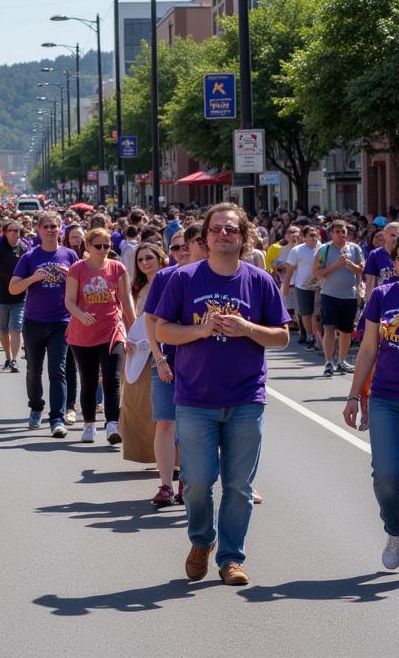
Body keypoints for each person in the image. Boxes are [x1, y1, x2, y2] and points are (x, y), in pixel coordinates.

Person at [155, 203, 290, 587]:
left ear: (243, 236)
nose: (223, 235)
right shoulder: (184, 279)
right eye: (216, 230)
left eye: (231, 229)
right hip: (195, 398)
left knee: (239, 486)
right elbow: (163, 330)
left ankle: (231, 558)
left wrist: (247, 327)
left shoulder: (259, 280)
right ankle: (202, 541)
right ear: (206, 237)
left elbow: (281, 336)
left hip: (247, 398)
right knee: (197, 483)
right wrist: (198, 331)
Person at [344, 229, 399, 580]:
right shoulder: (382, 297)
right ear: (393, 263)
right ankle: (397, 528)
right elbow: (369, 348)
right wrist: (355, 395)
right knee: (385, 477)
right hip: (386, 398)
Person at [9, 211, 78, 437]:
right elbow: (13, 288)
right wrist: (33, 279)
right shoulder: (29, 257)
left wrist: (71, 276)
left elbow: (82, 289)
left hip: (61, 321)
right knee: (33, 371)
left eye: (54, 227)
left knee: (57, 370)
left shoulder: (70, 255)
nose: (50, 230)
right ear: (38, 230)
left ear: (60, 230)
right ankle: (36, 407)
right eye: (46, 226)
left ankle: (57, 419)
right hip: (34, 322)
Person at [64, 226, 135, 445]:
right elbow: (69, 301)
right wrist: (80, 314)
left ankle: (112, 424)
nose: (103, 250)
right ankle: (89, 425)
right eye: (98, 246)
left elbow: (126, 300)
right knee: (89, 380)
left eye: (107, 246)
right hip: (82, 334)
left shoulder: (117, 267)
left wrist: (133, 329)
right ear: (87, 246)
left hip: (112, 330)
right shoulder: (77, 269)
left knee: (112, 378)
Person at [144, 229, 188, 507]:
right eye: (175, 248)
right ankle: (165, 485)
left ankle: (187, 483)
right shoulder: (164, 277)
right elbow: (150, 321)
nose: (181, 252)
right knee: (165, 424)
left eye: (186, 246)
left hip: (199, 365)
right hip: (167, 362)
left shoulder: (208, 276)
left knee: (191, 428)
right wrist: (159, 358)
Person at [120, 241, 167, 467]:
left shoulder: (169, 282)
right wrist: (128, 339)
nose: (145, 263)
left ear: (160, 259)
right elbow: (133, 320)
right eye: (140, 259)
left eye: (150, 258)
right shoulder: (137, 287)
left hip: (163, 351)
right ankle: (147, 453)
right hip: (138, 351)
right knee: (135, 404)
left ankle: (168, 459)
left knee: (158, 408)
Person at [314, 218, 364, 375]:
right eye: (338, 231)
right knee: (329, 328)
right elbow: (316, 273)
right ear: (331, 234)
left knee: (346, 331)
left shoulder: (355, 249)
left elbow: (361, 269)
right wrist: (335, 265)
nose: (342, 234)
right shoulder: (324, 249)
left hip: (349, 296)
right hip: (329, 295)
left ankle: (341, 361)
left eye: (344, 231)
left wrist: (350, 265)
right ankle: (329, 362)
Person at [0, 219, 30, 372]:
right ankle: (7, 356)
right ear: (5, 233)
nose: (14, 233)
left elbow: (29, 266)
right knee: (3, 330)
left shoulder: (24, 247)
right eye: (11, 230)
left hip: (19, 296)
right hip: (0, 295)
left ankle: (14, 360)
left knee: (16, 328)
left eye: (16, 231)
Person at [281, 225, 323, 352]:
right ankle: (309, 336)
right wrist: (286, 286)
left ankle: (317, 339)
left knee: (316, 314)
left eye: (315, 234)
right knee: (306, 313)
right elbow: (289, 270)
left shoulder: (323, 248)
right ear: (304, 237)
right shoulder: (297, 250)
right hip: (302, 286)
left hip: (319, 286)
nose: (314, 237)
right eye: (310, 235)